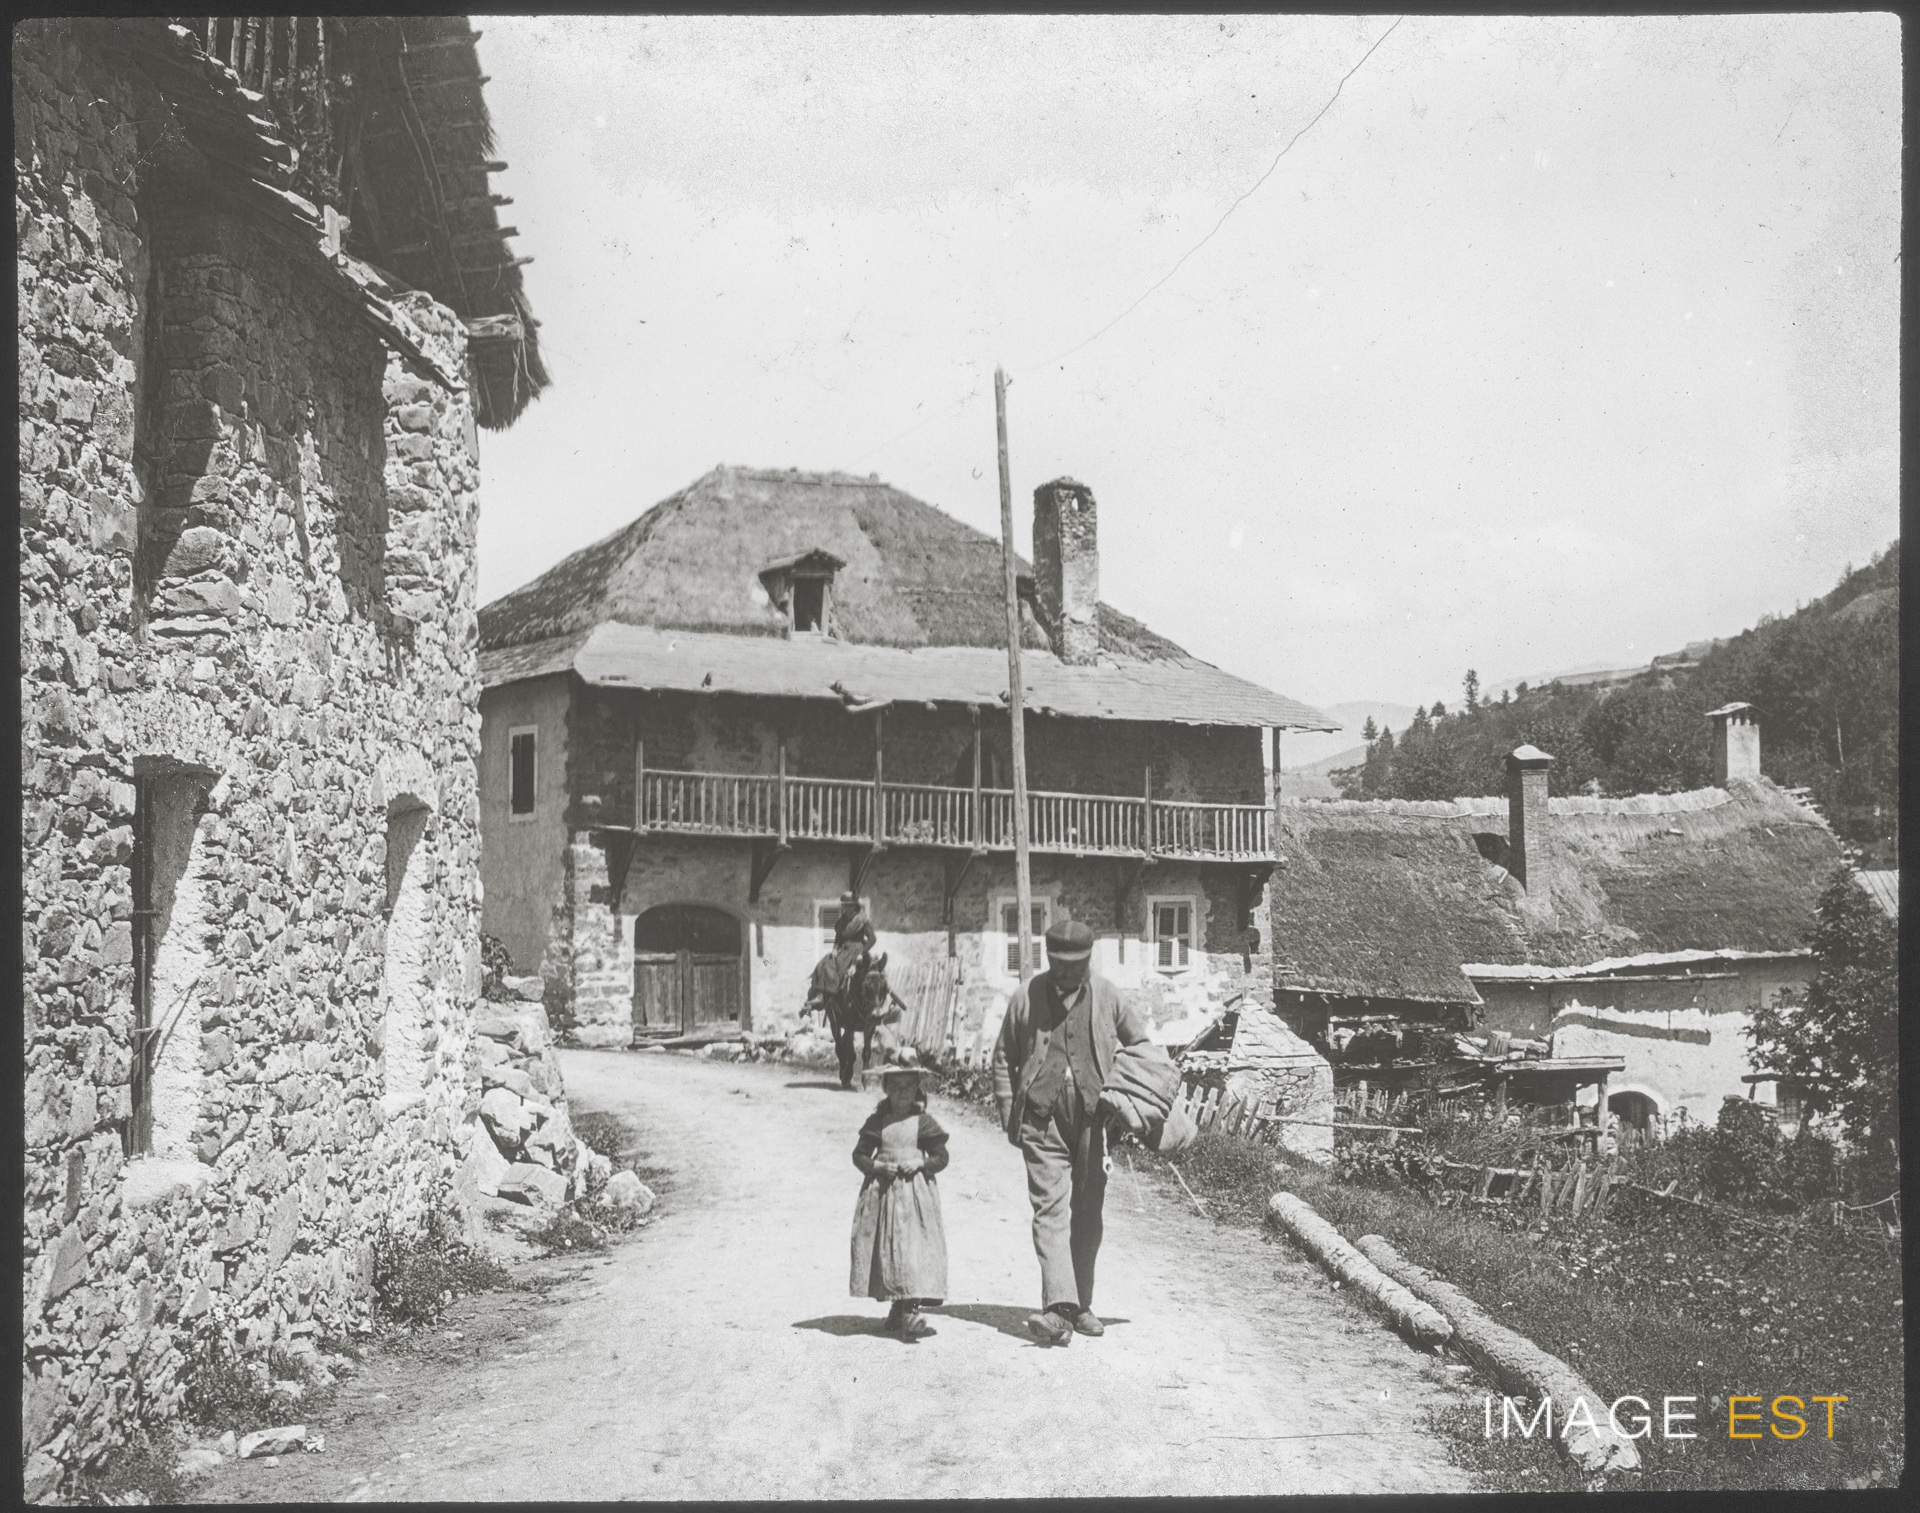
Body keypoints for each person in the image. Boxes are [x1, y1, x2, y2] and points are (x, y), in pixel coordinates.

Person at [991, 918, 1151, 1346]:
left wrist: (1128, 1097)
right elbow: (1003, 1057)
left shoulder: (1107, 995)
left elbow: (1140, 1046)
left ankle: (1081, 1305)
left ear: (1088, 960)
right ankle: (1059, 1308)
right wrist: (1010, 1115)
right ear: (1048, 958)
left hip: (1094, 1120)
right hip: (1040, 1119)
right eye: (1059, 965)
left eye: (1075, 966)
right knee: (1049, 1210)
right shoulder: (1026, 997)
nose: (1066, 973)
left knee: (1088, 1211)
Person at [849, 1052, 950, 1339]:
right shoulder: (878, 1121)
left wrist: (921, 1163)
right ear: (886, 1088)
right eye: (895, 1086)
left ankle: (909, 1310)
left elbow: (941, 1157)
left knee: (912, 1252)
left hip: (915, 1198)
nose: (902, 1092)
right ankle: (898, 1306)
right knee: (890, 1251)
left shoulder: (923, 1122)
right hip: (884, 1196)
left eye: (908, 1086)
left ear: (917, 1088)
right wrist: (877, 1166)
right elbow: (859, 1155)